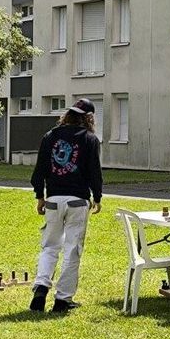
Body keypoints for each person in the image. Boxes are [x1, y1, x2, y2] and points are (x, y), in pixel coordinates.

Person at [29, 98, 103, 313]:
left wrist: (39, 196)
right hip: (77, 200)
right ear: (88, 118)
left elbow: (40, 169)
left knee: (49, 246)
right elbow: (94, 172)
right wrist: (97, 197)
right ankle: (62, 300)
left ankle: (41, 289)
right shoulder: (90, 139)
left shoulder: (50, 136)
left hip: (53, 199)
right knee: (72, 250)